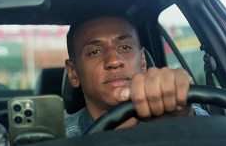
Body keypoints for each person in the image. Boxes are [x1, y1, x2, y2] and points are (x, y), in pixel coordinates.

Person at [64, 14, 208, 137]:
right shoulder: (56, 141)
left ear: (143, 61)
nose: (114, 61)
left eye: (125, 47)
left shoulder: (192, 117)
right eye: (94, 52)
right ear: (73, 72)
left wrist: (182, 126)